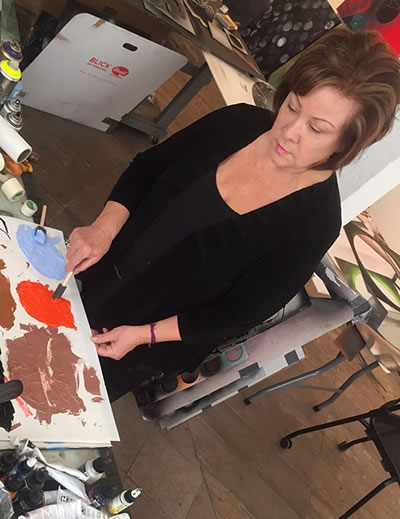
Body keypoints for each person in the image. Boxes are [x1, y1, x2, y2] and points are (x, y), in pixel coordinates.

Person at [66, 27, 400, 402]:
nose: (288, 132)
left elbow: (235, 314)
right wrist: (103, 228)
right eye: (292, 106)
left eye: (316, 129)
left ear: (347, 143)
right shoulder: (238, 123)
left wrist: (142, 335)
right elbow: (147, 170)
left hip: (137, 340)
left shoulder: (314, 223)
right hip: (92, 272)